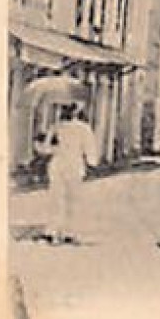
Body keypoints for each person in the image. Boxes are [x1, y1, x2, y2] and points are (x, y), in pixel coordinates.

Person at [36, 104, 94, 243]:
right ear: (76, 111)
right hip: (74, 165)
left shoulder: (55, 127)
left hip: (59, 164)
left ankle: (52, 230)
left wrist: (43, 146)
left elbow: (45, 149)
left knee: (56, 198)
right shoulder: (84, 129)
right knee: (72, 199)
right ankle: (69, 232)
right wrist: (91, 163)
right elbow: (90, 150)